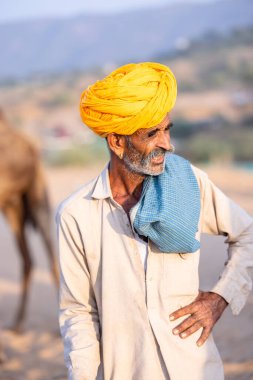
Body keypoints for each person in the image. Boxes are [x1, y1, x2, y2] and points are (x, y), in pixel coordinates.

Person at [56, 62, 253, 380]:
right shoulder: (76, 214)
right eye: (152, 134)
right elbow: (78, 310)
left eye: (167, 129)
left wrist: (220, 297)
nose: (167, 144)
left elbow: (248, 234)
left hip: (194, 368)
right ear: (117, 142)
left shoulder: (190, 183)